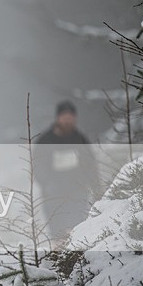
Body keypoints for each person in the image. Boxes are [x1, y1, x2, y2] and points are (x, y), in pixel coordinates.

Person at [35, 100, 100, 244]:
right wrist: (47, 184)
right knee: (57, 234)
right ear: (58, 118)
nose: (68, 120)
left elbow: (90, 164)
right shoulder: (45, 140)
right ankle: (58, 261)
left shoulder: (80, 139)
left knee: (77, 231)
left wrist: (96, 187)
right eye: (64, 116)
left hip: (77, 192)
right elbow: (38, 166)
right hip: (54, 195)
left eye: (71, 116)